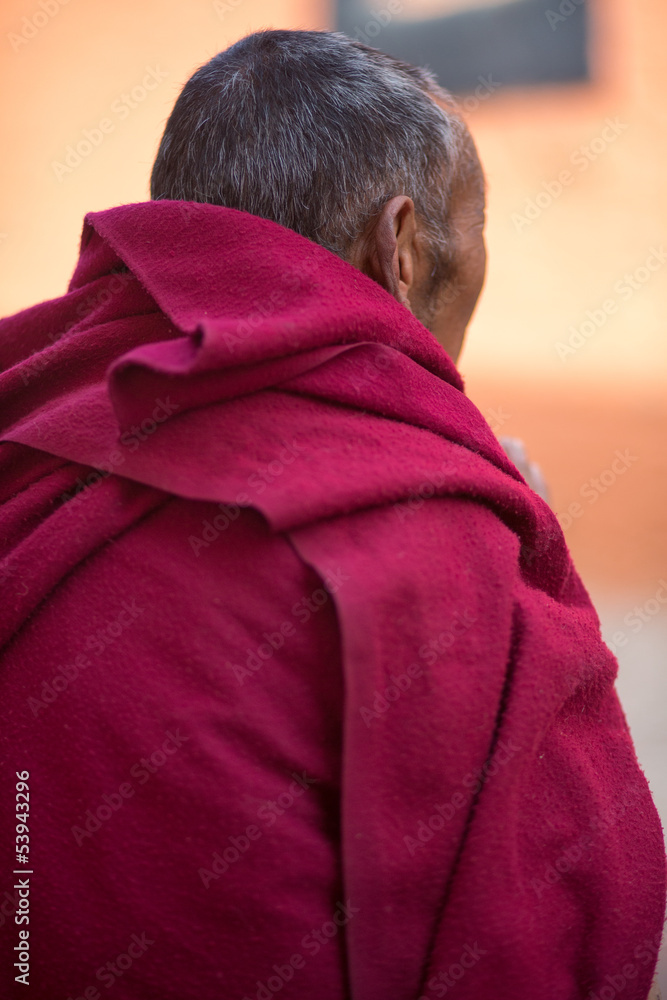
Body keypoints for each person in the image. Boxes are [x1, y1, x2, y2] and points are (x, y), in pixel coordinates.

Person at [0, 29, 664, 1000]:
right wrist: (514, 550)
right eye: (478, 230)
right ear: (399, 246)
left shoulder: (30, 430)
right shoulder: (436, 530)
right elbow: (568, 938)